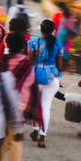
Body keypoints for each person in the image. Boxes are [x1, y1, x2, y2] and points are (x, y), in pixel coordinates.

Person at [0, 28, 40, 161]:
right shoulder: (27, 65)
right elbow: (31, 86)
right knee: (16, 140)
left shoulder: (1, 61)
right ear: (23, 47)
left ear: (7, 45)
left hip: (0, 106)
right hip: (19, 108)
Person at [27, 19, 64, 148]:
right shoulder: (58, 44)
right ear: (53, 30)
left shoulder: (33, 42)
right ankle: (42, 136)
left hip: (36, 77)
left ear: (40, 29)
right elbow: (60, 65)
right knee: (46, 106)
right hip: (52, 78)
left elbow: (29, 60)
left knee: (35, 105)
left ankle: (35, 130)